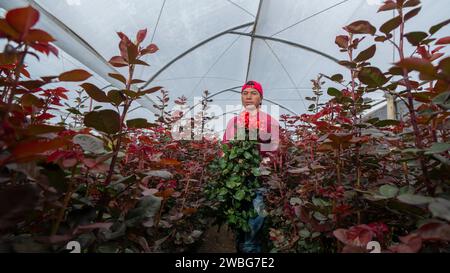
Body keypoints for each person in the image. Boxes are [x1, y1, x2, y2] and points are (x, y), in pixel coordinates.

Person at [222, 80, 280, 253]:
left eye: (253, 93)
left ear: (261, 99)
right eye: (245, 93)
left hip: (259, 180)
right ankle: (241, 244)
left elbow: (275, 150)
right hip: (237, 179)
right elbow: (225, 148)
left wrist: (261, 166)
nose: (248, 96)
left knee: (256, 215)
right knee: (239, 215)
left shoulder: (269, 121)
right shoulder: (234, 122)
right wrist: (229, 165)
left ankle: (251, 247)